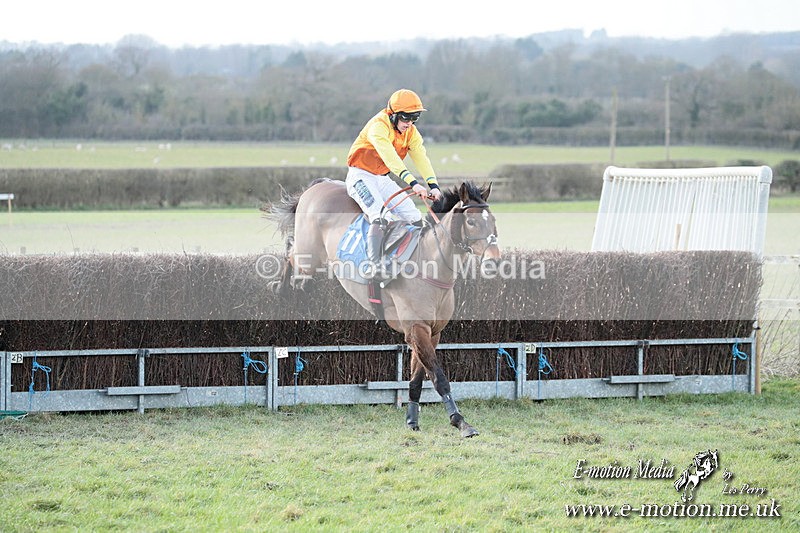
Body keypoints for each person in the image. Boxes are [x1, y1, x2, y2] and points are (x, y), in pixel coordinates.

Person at [346, 89, 442, 271]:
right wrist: (413, 183)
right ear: (393, 115)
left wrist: (433, 185)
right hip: (361, 176)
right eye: (406, 118)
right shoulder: (378, 126)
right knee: (381, 217)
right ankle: (374, 265)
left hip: (382, 178)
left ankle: (416, 260)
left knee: (415, 218)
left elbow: (421, 157)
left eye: (415, 118)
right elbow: (391, 159)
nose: (410, 123)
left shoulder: (411, 132)